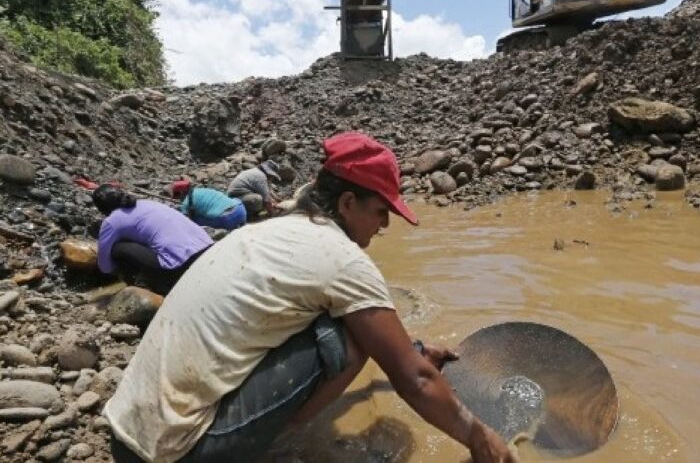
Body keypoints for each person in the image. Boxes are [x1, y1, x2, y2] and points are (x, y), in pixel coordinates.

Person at [104, 132, 516, 463]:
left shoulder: (265, 231)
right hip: (179, 451)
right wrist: (481, 439)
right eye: (381, 211)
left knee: (332, 320)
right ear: (348, 202)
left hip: (127, 433)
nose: (385, 224)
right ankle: (269, 448)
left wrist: (415, 348)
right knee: (351, 334)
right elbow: (417, 379)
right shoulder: (342, 259)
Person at [92, 184, 213, 295]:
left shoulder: (112, 221)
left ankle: (142, 287)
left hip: (180, 265)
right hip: (209, 251)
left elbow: (105, 266)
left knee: (117, 248)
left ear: (101, 208)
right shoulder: (147, 203)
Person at [170, 180, 247, 230]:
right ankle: (241, 223)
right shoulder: (202, 190)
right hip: (240, 210)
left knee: (195, 220)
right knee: (233, 200)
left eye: (177, 196)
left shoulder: (186, 202)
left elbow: (186, 222)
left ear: (181, 193)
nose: (178, 199)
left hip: (227, 219)